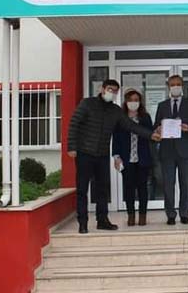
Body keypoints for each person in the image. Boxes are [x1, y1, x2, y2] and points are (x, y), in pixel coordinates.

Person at [67, 79, 161, 234]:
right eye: (110, 89)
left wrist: (151, 135)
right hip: (84, 153)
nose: (112, 93)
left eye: (115, 91)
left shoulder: (115, 111)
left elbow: (131, 126)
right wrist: (71, 147)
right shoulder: (87, 103)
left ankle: (102, 220)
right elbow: (74, 123)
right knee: (82, 189)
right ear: (102, 89)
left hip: (102, 154)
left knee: (103, 189)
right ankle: (82, 223)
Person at [154, 75, 188, 225]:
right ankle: (170, 215)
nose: (175, 87)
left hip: (185, 150)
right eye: (172, 84)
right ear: (168, 87)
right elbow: (156, 125)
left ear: (182, 86)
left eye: (178, 84)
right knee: (168, 184)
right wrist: (158, 129)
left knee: (185, 183)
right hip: (167, 150)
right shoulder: (162, 105)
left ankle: (184, 214)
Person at [112, 89, 153, 226]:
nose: (133, 103)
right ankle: (130, 215)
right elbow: (116, 138)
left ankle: (142, 216)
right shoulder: (120, 118)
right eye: (130, 100)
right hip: (126, 159)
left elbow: (150, 135)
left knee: (142, 188)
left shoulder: (145, 117)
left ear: (140, 102)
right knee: (129, 188)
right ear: (126, 102)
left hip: (142, 158)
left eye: (136, 100)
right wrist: (116, 157)